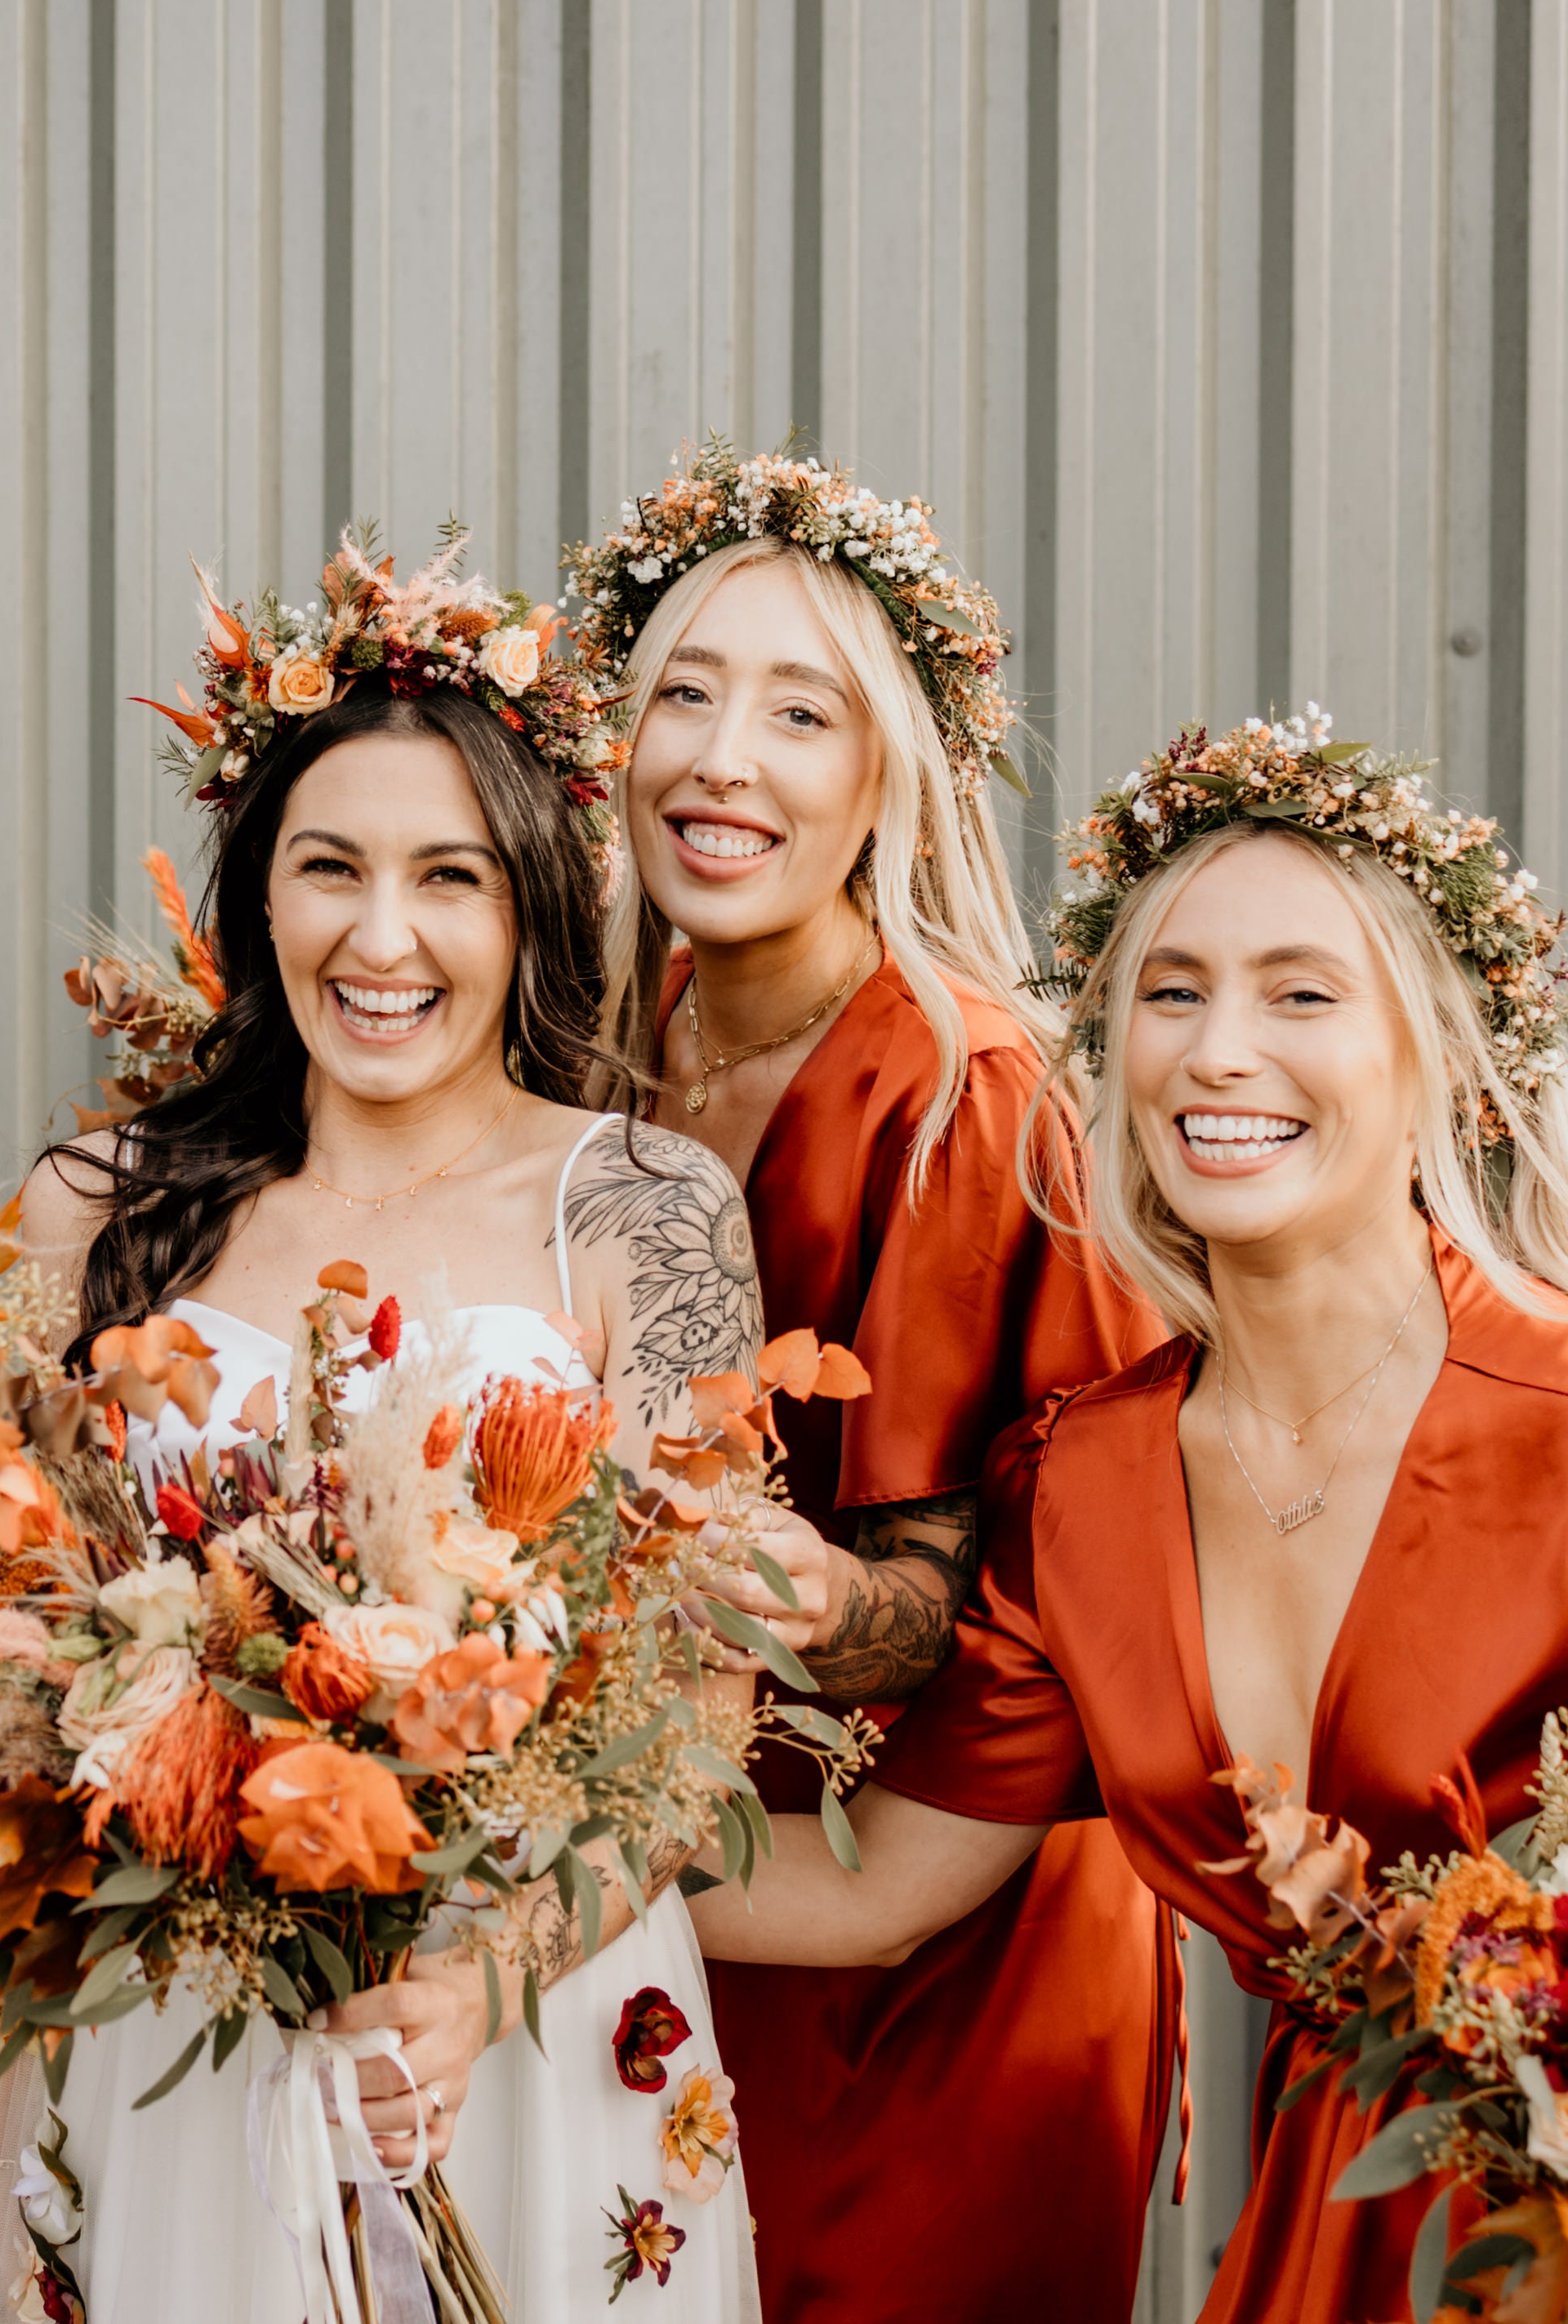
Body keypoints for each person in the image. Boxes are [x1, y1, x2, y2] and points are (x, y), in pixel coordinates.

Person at [685, 711, 1568, 2322]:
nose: (1217, 1050)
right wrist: (476, 1861)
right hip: (1319, 2234)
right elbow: (878, 1882)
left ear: (1440, 1060)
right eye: (1169, 992)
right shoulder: (1082, 1481)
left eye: (1301, 993)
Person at [0, 539, 767, 2322]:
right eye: (329, 868)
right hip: (183, 2060)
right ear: (260, 903)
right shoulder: (96, 1210)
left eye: (447, 877)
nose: (380, 938)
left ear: (533, 904)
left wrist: (480, 1984)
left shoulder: (646, 1209)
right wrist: (4, 2171)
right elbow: (21, 1742)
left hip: (539, 2045)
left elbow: (704, 1717)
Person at [567, 449, 1180, 2323]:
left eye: (796, 709)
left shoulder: (966, 1096)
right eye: (683, 690)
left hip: (942, 1926)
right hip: (683, 1886)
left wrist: (815, 1597)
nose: (720, 758)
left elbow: (1017, 1592)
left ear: (883, 780)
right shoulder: (613, 1059)